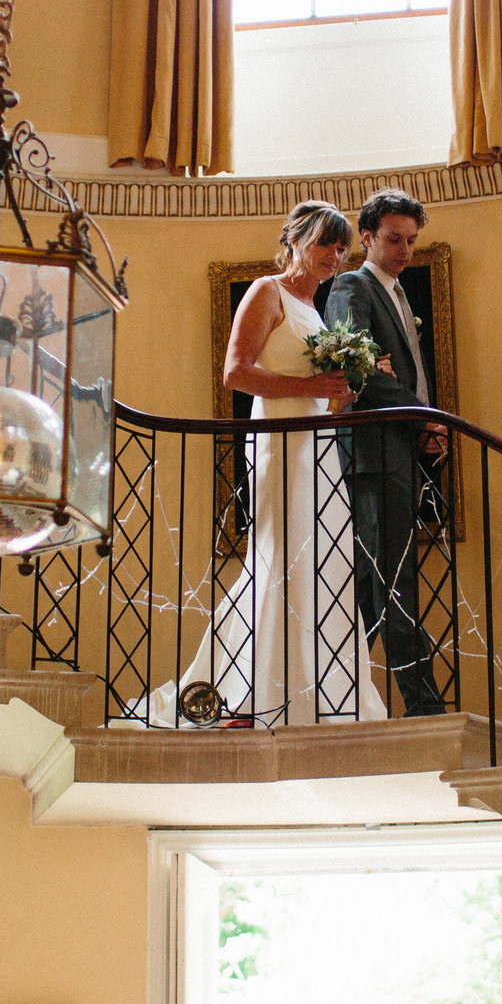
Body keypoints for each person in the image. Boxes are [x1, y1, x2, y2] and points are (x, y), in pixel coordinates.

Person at [155, 201, 384, 725]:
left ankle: (317, 694)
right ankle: (254, 694)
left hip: (317, 446)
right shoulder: (267, 292)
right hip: (279, 446)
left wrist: (339, 393)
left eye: (342, 247)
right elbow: (236, 373)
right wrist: (311, 387)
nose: (335, 255)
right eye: (327, 242)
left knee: (321, 563)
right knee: (282, 555)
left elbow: (316, 396)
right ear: (297, 240)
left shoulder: (319, 312)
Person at [324, 189, 450, 716]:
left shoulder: (400, 296)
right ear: (368, 238)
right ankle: (420, 707)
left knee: (382, 584)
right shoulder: (352, 285)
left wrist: (424, 425)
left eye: (412, 241)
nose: (404, 251)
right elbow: (355, 363)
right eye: (394, 239)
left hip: (399, 449)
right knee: (389, 580)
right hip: (371, 455)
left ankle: (340, 695)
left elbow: (398, 372)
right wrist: (424, 417)